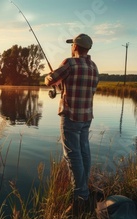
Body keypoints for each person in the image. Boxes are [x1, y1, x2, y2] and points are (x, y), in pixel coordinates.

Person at [44, 33, 99, 216]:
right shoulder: (93, 67)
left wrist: (48, 78)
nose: (71, 48)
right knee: (84, 153)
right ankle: (85, 189)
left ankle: (80, 197)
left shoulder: (69, 62)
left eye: (72, 45)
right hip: (86, 117)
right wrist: (62, 86)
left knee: (72, 156)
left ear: (75, 47)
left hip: (70, 117)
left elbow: (50, 80)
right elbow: (81, 87)